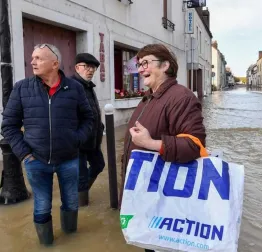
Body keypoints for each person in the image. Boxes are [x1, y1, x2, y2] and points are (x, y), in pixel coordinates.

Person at [1, 44, 94, 245]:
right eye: (32, 57)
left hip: (69, 159)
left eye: (39, 58)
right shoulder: (21, 88)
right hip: (36, 160)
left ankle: (72, 241)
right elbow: (8, 126)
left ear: (54, 64)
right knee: (42, 206)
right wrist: (24, 154)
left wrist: (76, 140)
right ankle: (47, 245)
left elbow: (89, 118)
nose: (32, 62)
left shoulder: (75, 88)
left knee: (71, 202)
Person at [120, 44, 206, 252]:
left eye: (146, 63)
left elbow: (194, 145)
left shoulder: (181, 97)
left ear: (166, 65)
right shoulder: (149, 97)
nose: (140, 69)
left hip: (164, 200)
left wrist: (150, 143)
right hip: (147, 194)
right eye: (139, 64)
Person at [71, 53, 105, 206]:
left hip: (93, 140)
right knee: (81, 177)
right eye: (87, 67)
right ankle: (79, 203)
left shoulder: (89, 86)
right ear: (77, 67)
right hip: (78, 143)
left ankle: (78, 193)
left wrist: (100, 128)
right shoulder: (71, 87)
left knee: (99, 165)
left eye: (93, 67)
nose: (90, 70)